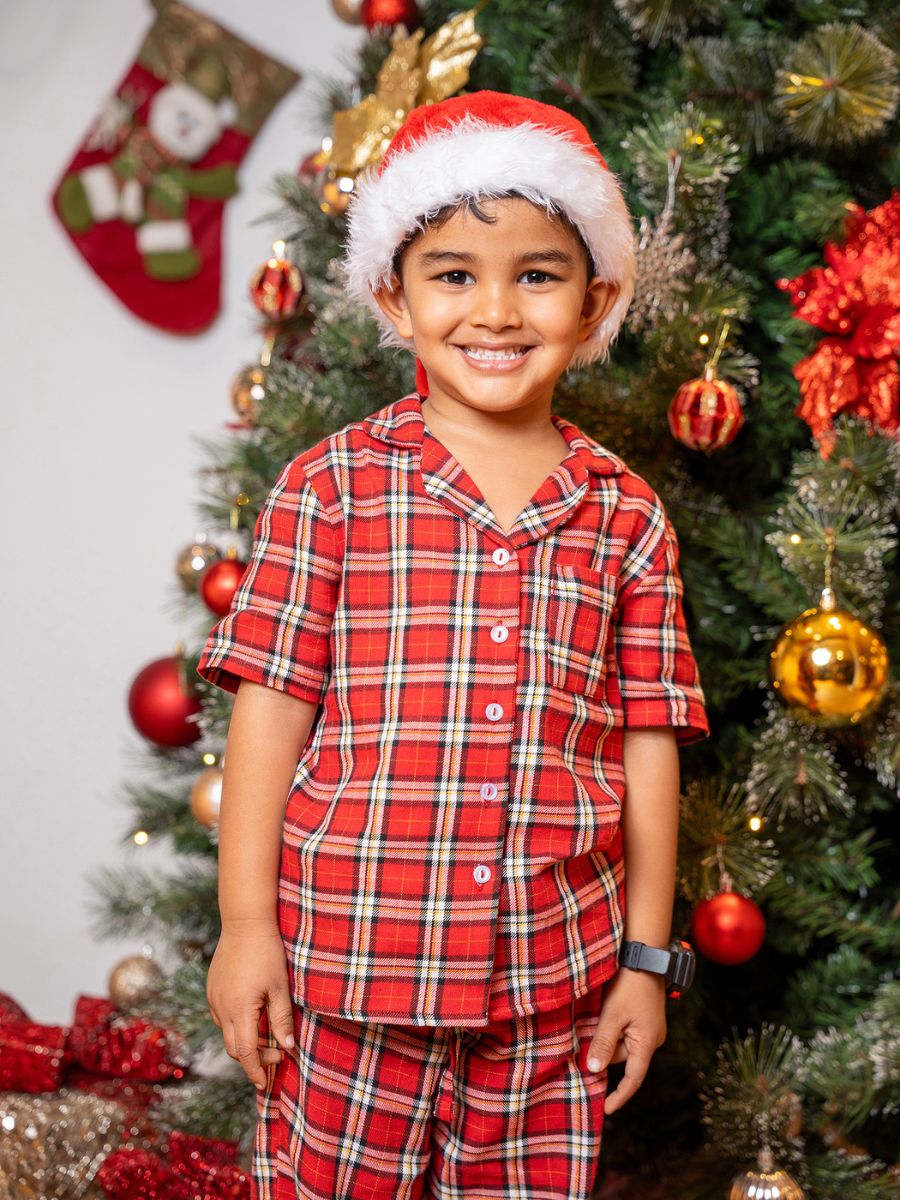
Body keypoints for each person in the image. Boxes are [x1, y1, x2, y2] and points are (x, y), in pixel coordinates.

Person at [197, 89, 710, 1200]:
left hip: (551, 994)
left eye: (537, 273)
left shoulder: (624, 514)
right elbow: (269, 715)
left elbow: (648, 743)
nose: (497, 310)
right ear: (394, 292)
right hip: (347, 974)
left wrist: (646, 964)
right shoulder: (329, 488)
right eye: (453, 275)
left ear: (596, 296)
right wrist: (246, 929)